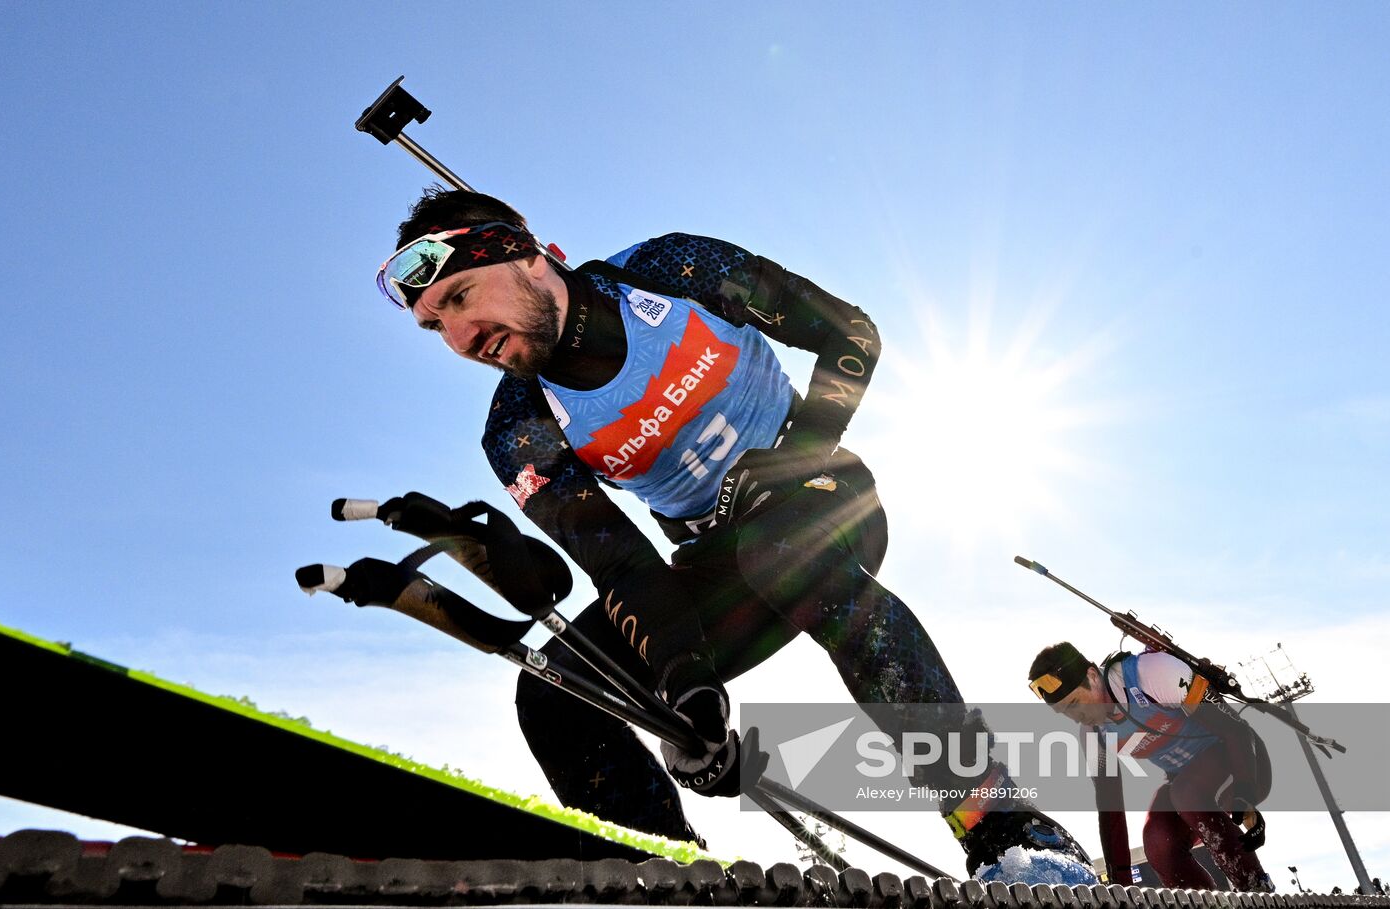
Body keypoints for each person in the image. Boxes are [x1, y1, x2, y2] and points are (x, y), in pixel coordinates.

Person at [373, 187, 1089, 875]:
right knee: (556, 690)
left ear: (526, 254)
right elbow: (623, 566)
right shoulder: (518, 428)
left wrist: (799, 452)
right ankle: (667, 870)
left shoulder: (669, 271)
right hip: (714, 563)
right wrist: (690, 695)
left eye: (459, 298)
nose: (460, 339)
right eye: (436, 327)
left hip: (821, 496)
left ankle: (1004, 823)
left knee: (778, 549)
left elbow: (848, 334)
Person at [1028, 642, 1274, 891]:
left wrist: (1245, 792)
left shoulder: (1152, 673)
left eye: (1074, 703)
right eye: (1064, 712)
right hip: (1186, 783)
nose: (1076, 716)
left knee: (1185, 793)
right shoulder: (1094, 736)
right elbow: (1111, 810)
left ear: (1092, 676)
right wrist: (1119, 887)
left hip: (1242, 760)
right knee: (1158, 842)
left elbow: (1236, 730)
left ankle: (1256, 887)